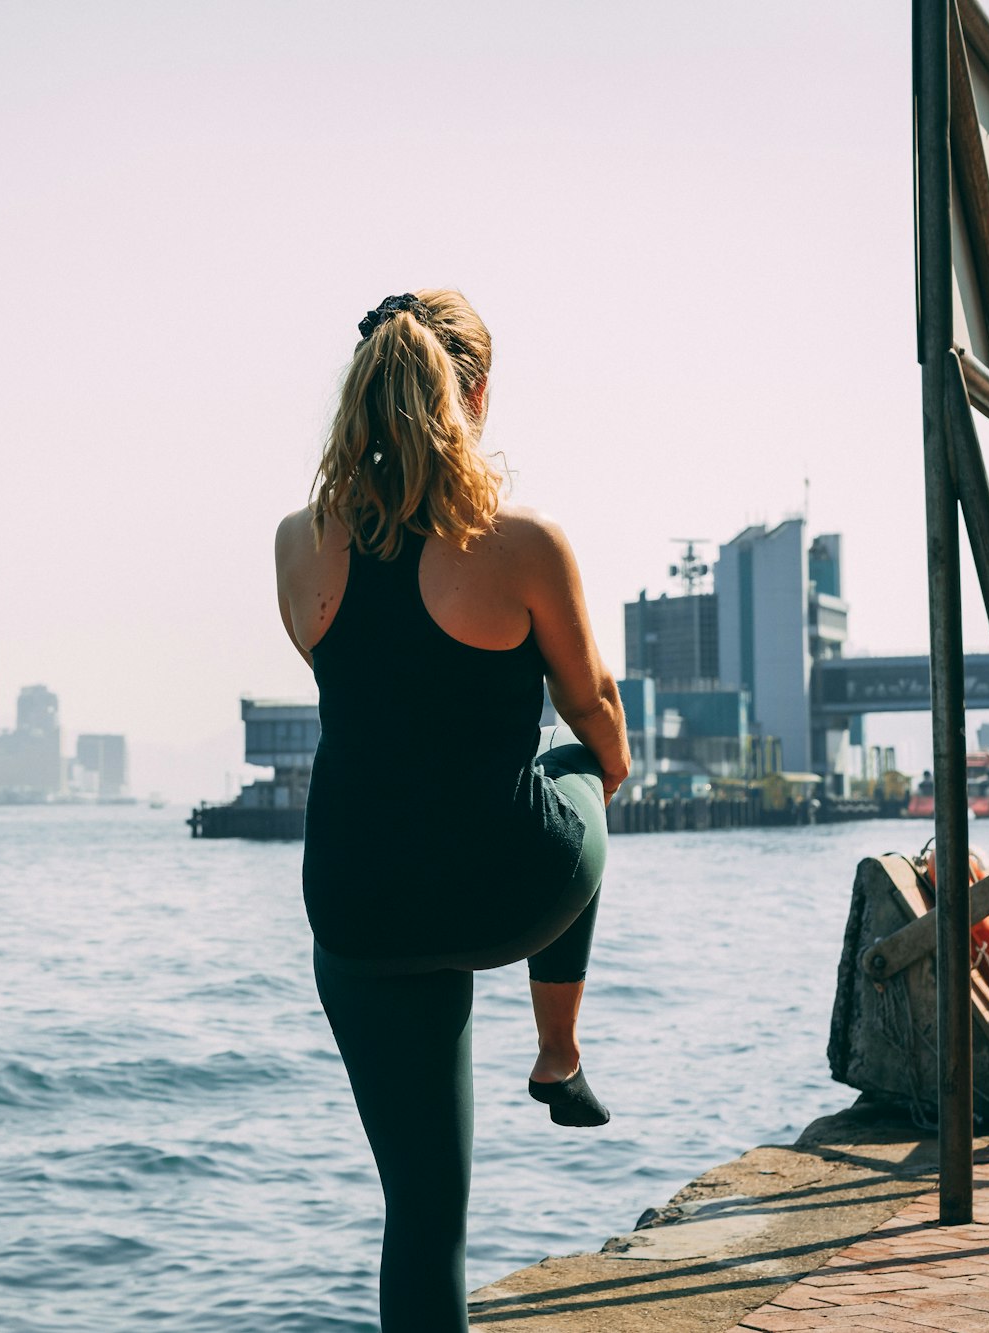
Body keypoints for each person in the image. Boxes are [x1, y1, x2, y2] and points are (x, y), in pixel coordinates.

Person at [272, 289, 631, 1331]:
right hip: (504, 892)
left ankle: (554, 1054)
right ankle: (557, 1048)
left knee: (423, 1215)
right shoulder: (518, 544)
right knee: (576, 765)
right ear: (472, 393)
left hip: (357, 910)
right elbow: (590, 704)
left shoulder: (299, 543)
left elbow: (363, 688)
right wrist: (606, 772)